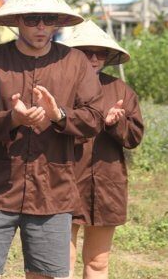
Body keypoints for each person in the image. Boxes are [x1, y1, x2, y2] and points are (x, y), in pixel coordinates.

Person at [0, 0, 104, 279]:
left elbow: (94, 118)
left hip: (52, 188)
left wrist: (59, 115)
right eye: (32, 19)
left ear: (56, 23)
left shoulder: (75, 61)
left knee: (46, 275)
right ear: (16, 22)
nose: (40, 26)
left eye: (48, 19)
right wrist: (12, 119)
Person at [63, 20, 144, 279]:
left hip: (107, 184)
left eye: (100, 53)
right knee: (61, 261)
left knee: (98, 262)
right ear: (73, 54)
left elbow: (134, 137)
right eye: (86, 52)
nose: (94, 58)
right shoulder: (61, 87)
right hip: (65, 180)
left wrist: (115, 123)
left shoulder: (120, 90)